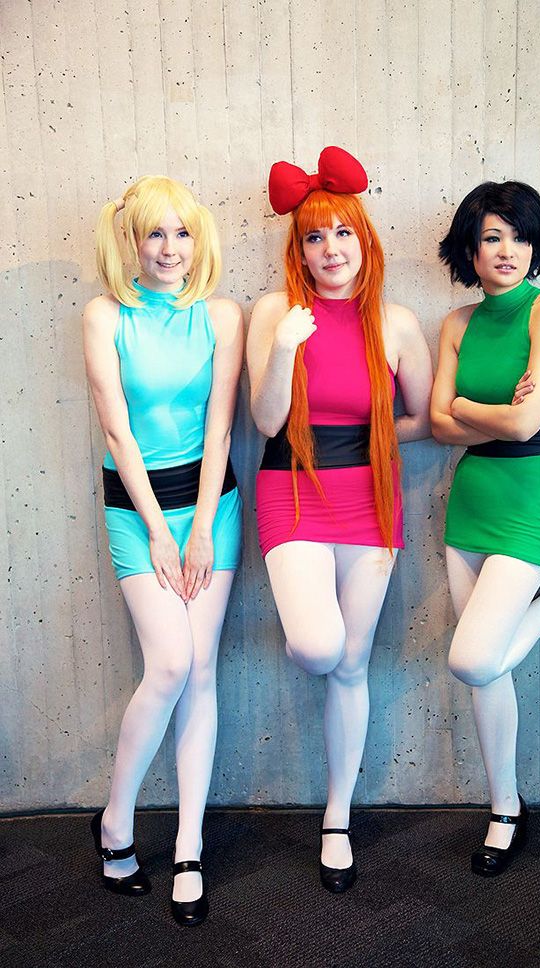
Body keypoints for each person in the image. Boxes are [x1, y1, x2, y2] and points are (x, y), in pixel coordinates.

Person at [247, 146, 433, 892]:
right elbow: (263, 423)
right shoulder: (273, 314)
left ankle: (336, 817)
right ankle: (333, 811)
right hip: (289, 491)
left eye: (341, 234)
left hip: (370, 498)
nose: (329, 250)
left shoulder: (395, 322)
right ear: (298, 250)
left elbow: (422, 416)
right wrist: (283, 351)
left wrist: (377, 436)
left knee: (352, 666)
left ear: (365, 239)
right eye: (313, 237)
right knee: (320, 647)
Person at [83, 175, 243, 924]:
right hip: (136, 510)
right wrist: (156, 530)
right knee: (171, 664)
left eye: (181, 233)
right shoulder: (103, 316)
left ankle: (187, 846)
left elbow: (219, 429)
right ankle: (115, 824)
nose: (169, 249)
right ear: (131, 240)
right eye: (154, 233)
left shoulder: (221, 314)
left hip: (212, 506)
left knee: (201, 671)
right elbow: (117, 432)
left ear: (198, 239)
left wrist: (204, 526)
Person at [431, 180, 540, 876]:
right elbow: (434, 423)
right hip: (470, 502)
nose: (507, 250)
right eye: (491, 237)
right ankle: (504, 807)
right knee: (485, 677)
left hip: (527, 504)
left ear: (535, 243)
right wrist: (464, 407)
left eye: (518, 236)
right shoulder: (455, 322)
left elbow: (526, 424)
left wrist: (463, 403)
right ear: (470, 247)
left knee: (472, 657)